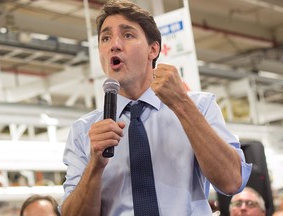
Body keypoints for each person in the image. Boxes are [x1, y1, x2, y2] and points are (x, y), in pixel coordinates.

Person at [60, 0, 252, 215]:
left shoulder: (198, 106)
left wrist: (182, 104)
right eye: (105, 38)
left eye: (127, 35)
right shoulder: (83, 131)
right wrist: (95, 165)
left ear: (153, 49)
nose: (114, 44)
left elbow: (232, 182)